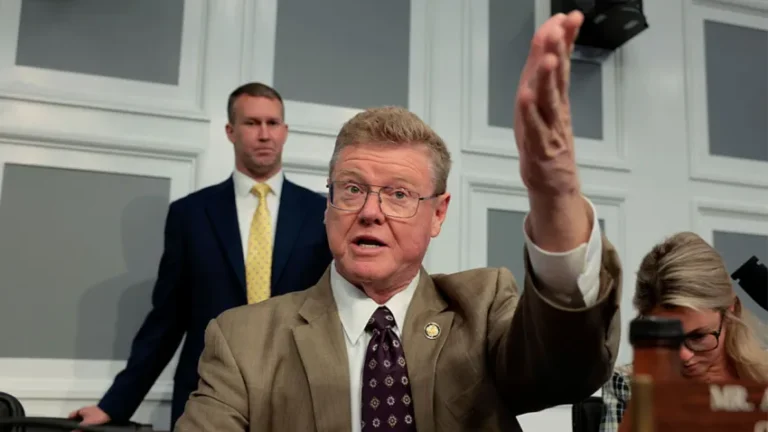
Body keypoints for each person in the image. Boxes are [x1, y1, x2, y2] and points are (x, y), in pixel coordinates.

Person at [174, 11, 623, 432]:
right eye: (352, 189)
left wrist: (554, 198)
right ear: (328, 204)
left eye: (399, 194)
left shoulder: (481, 313)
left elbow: (567, 371)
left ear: (438, 214)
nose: (371, 212)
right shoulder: (242, 340)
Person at [69, 82, 333, 428]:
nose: (264, 134)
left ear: (284, 131)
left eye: (272, 123)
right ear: (230, 131)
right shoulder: (190, 214)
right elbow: (167, 319)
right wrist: (114, 405)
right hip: (209, 394)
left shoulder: (323, 213)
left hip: (298, 394)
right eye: (252, 123)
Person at [599, 231, 768, 432]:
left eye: (698, 336)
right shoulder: (628, 387)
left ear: (730, 311)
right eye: (667, 339)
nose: (683, 355)